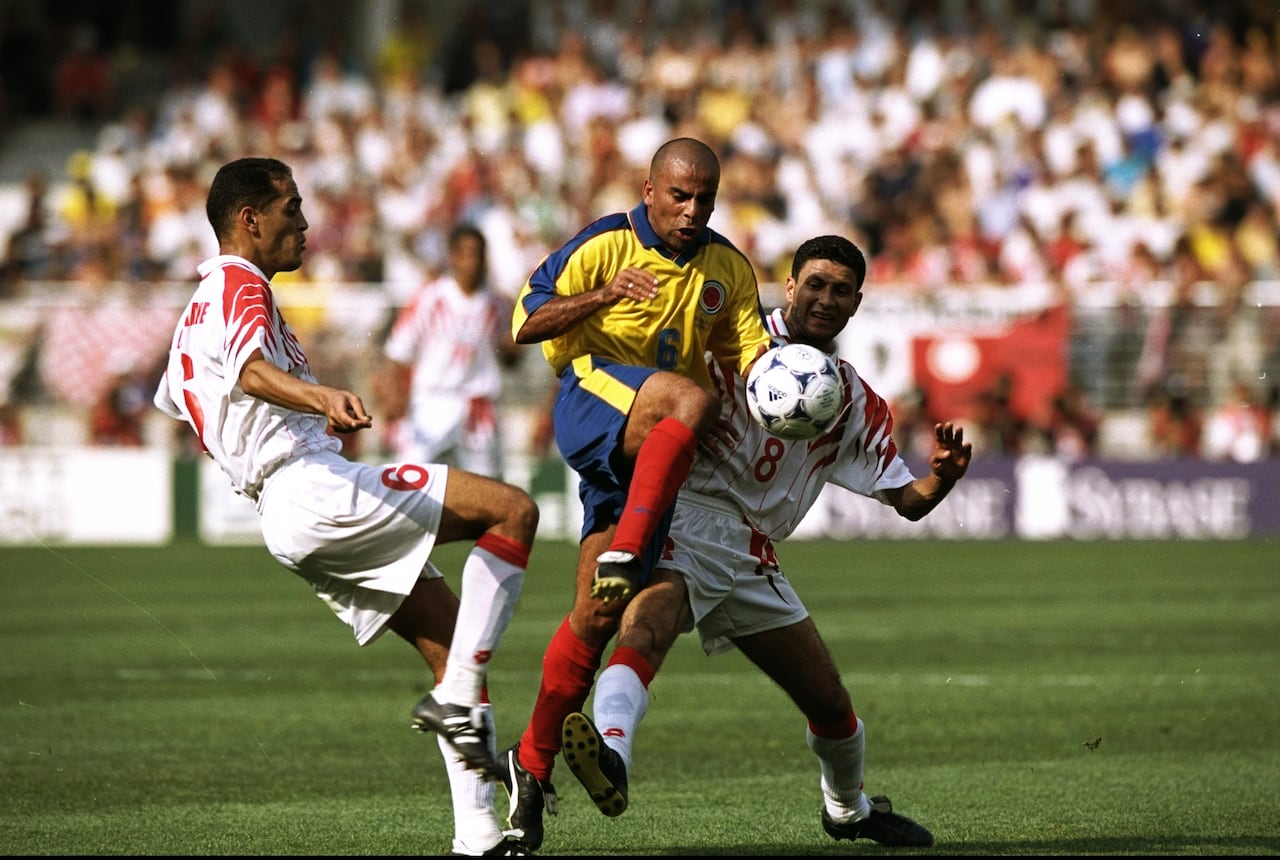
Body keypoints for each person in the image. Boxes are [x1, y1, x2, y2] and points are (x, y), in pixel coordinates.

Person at [152, 157, 537, 857]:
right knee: (512, 510)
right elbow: (248, 371)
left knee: (451, 644)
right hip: (310, 486)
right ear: (250, 220)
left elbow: (186, 395)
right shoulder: (242, 284)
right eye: (291, 209)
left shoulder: (194, 310)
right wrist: (319, 397)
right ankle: (461, 705)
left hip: (282, 509)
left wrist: (259, 438)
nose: (304, 223)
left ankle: (478, 836)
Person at [556, 234, 972, 849]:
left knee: (830, 704)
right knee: (646, 631)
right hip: (684, 519)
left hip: (753, 554)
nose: (825, 298)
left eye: (840, 290)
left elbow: (906, 503)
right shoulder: (726, 340)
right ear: (789, 285)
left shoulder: (854, 399)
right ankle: (611, 755)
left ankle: (848, 809)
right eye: (815, 284)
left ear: (857, 302)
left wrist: (942, 476)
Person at [502, 137, 774, 850]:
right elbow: (524, 322)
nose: (692, 210)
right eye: (679, 196)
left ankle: (528, 770)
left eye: (704, 199)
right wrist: (603, 295)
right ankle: (628, 548)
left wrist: (782, 385)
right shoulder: (603, 244)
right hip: (592, 402)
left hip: (650, 458)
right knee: (690, 401)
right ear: (649, 189)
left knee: (596, 616)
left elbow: (746, 357)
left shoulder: (727, 269)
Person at [376, 223, 522, 479]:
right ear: (453, 256)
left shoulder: (498, 304)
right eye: (464, 252)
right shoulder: (431, 298)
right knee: (409, 478)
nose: (471, 260)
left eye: (477, 253)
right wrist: (394, 397)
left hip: (478, 405)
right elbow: (398, 351)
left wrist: (514, 346)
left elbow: (509, 361)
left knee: (488, 487)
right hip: (433, 402)